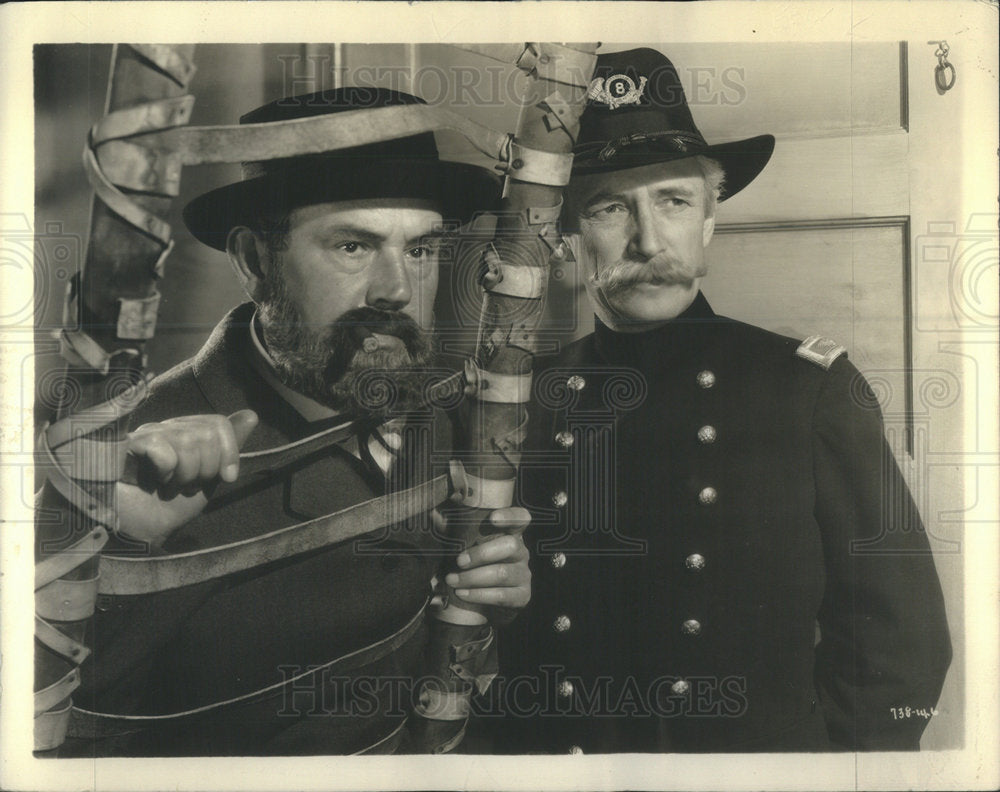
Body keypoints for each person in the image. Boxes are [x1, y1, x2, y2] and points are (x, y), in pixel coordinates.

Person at [490, 48, 951, 753]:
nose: (650, 240)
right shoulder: (523, 401)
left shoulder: (806, 390)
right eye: (612, 207)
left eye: (674, 200)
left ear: (709, 219)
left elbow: (901, 642)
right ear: (567, 236)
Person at [56, 87, 531, 756]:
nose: (396, 289)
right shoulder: (131, 457)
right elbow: (63, 744)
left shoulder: (450, 419)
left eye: (421, 250)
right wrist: (127, 557)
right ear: (255, 262)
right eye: (353, 247)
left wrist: (491, 612)